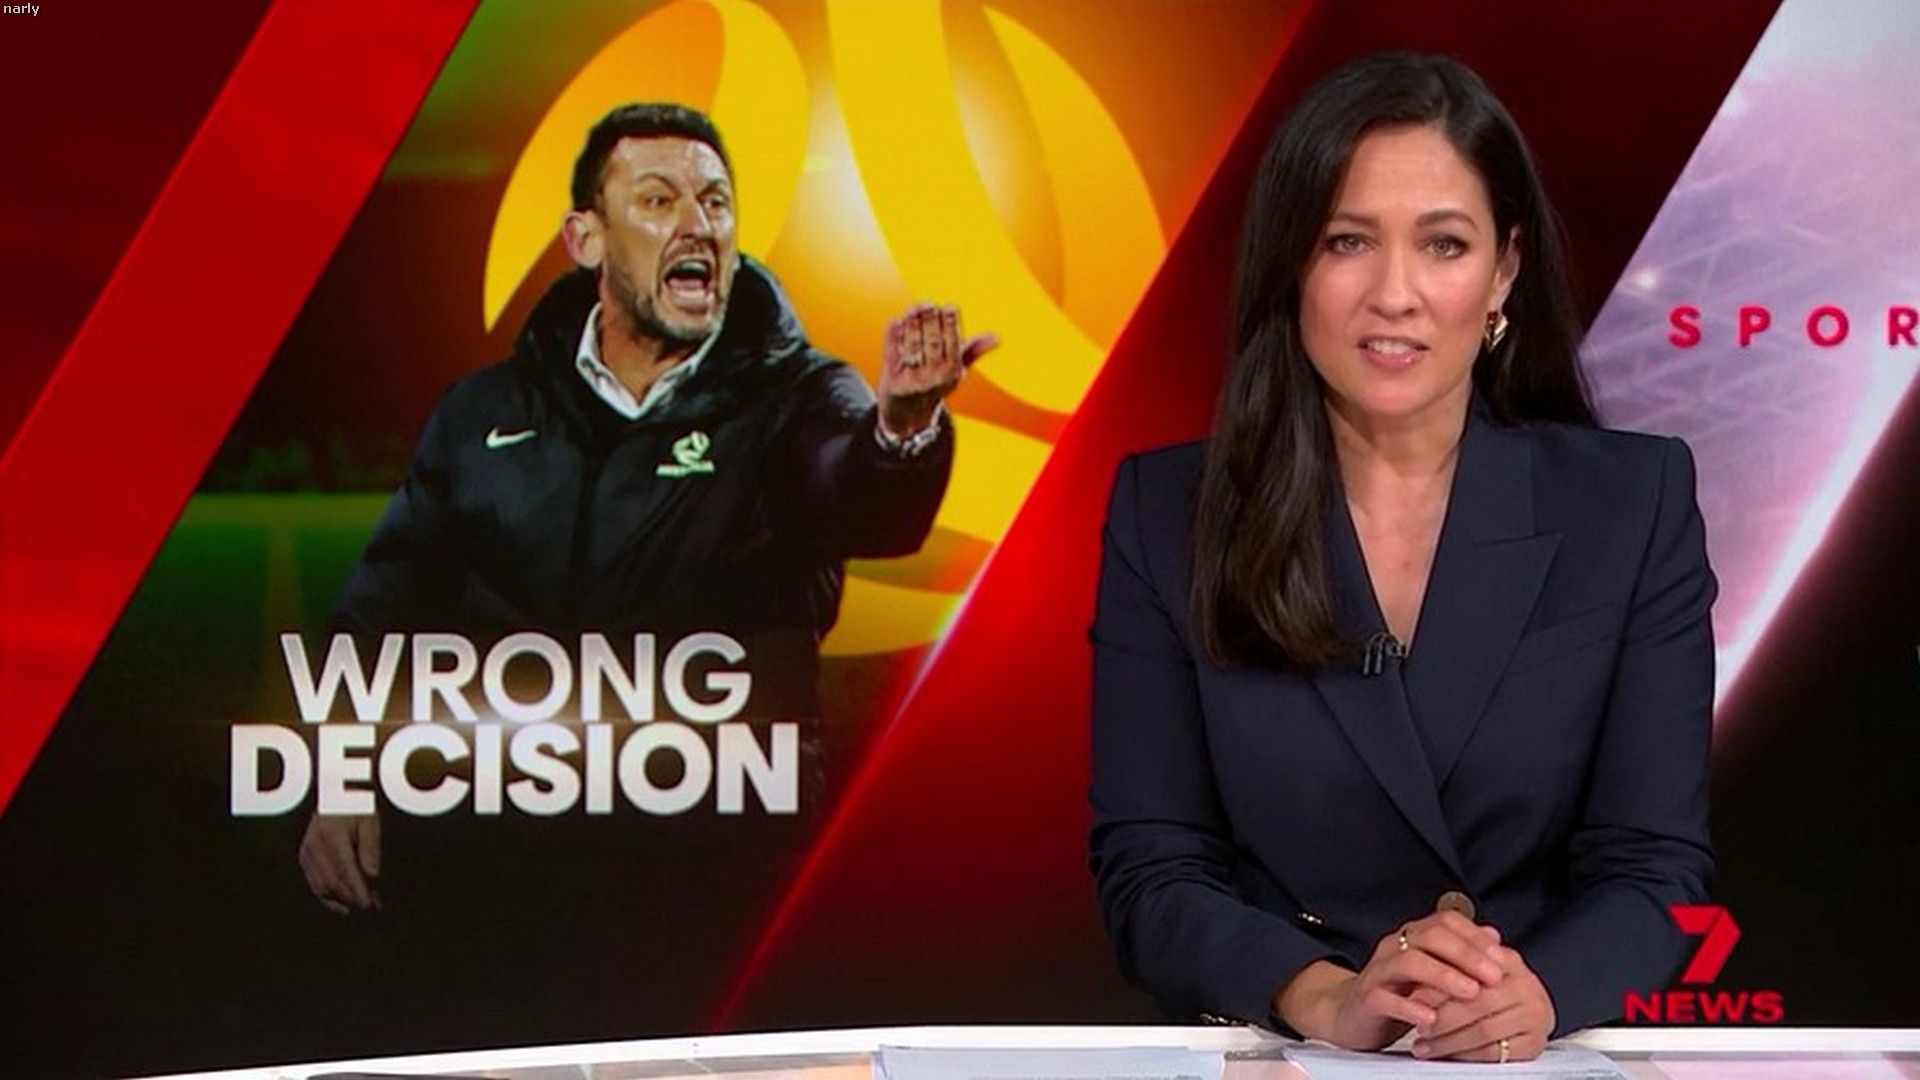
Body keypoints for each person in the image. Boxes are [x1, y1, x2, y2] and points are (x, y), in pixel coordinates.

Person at [1089, 53, 1714, 1064]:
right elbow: (1152, 871)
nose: (1395, 294)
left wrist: (1538, 995)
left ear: (1504, 270)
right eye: (1348, 242)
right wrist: (1326, 997)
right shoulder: (1166, 514)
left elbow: (1656, 869)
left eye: (1444, 245)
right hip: (1285, 1052)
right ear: (1293, 263)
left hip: (1525, 1055)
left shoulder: (1630, 505)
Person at [300, 103, 996, 915]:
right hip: (502, 870)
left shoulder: (797, 398)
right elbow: (381, 613)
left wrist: (901, 431)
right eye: (659, 200)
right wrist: (341, 777)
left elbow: (863, 501)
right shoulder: (481, 412)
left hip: (718, 877)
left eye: (715, 202)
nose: (697, 225)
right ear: (586, 239)